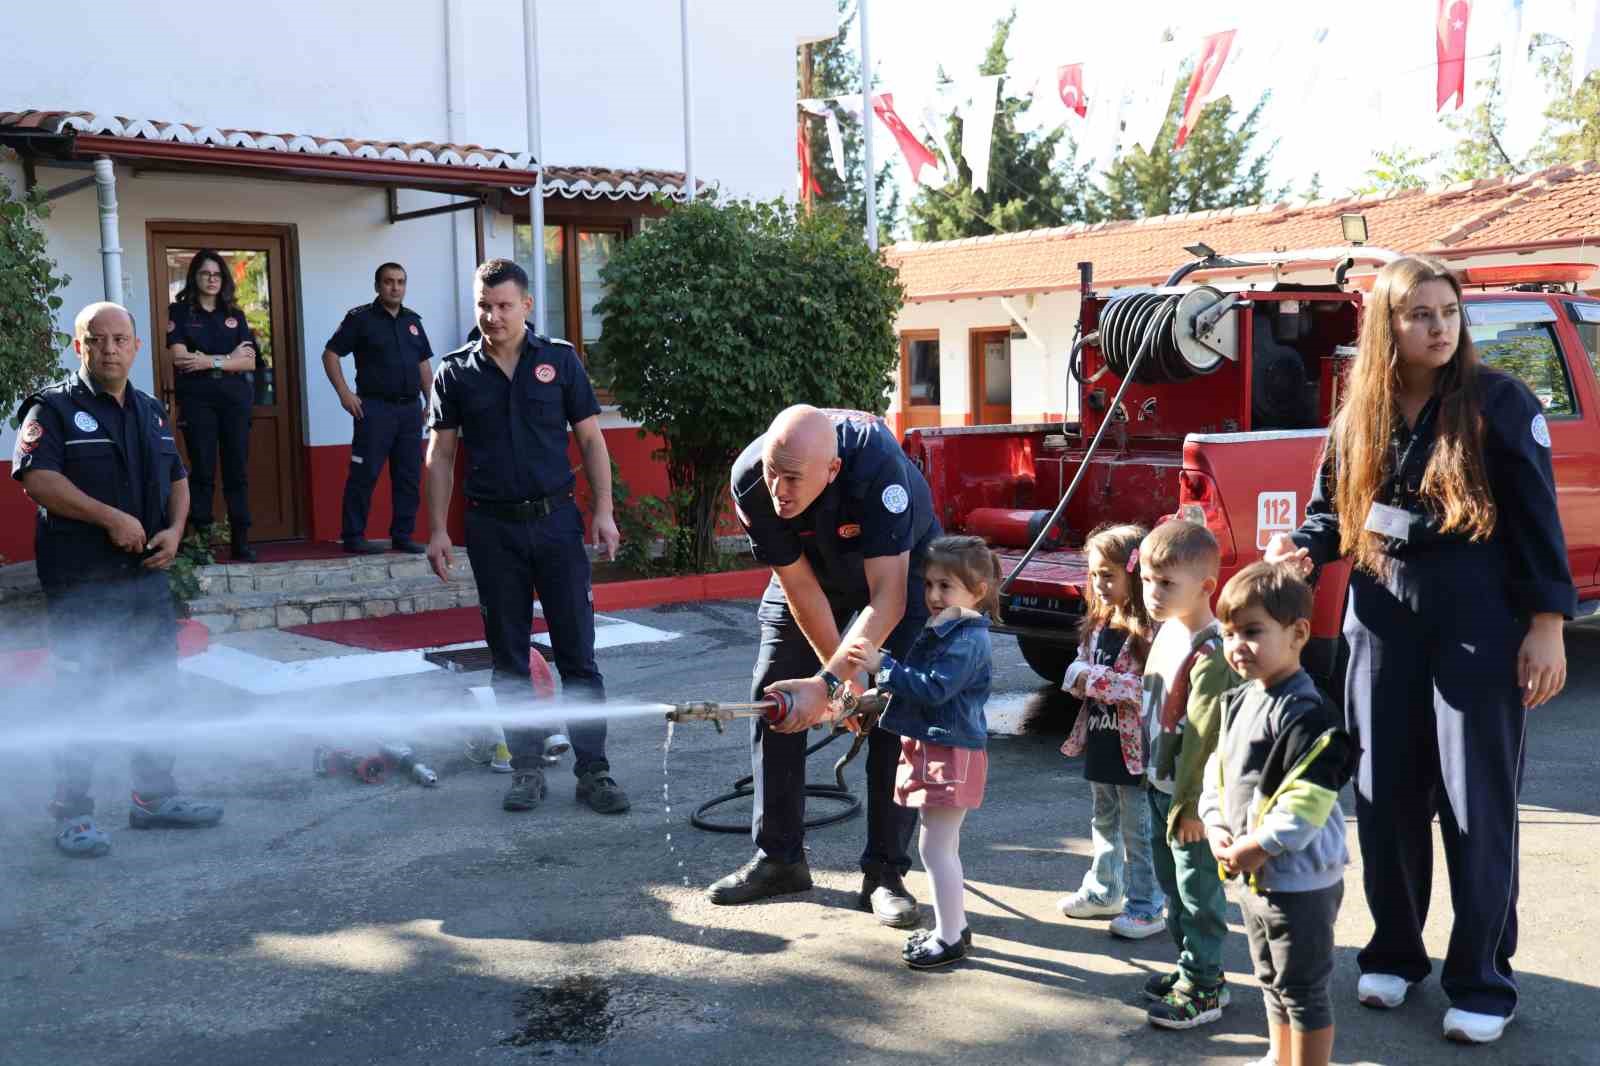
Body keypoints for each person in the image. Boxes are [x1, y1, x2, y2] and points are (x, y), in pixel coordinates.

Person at [1264, 255, 1573, 1045]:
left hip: (1478, 614)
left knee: (1477, 802)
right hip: (1381, 614)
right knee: (1385, 793)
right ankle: (1396, 953)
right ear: (1387, 326)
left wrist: (1546, 624)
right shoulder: (1359, 411)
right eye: (1421, 315)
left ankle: (1480, 979)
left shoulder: (1499, 402)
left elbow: (1539, 520)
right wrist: (1300, 551)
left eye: (1448, 312)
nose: (1440, 328)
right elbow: (1331, 514)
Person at [710, 405, 939, 927]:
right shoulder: (751, 480)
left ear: (831, 471)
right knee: (777, 691)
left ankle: (885, 874)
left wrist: (844, 683)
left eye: (793, 479)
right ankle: (780, 859)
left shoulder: (879, 471)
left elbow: (888, 600)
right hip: (813, 568)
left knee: (894, 698)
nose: (779, 489)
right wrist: (830, 687)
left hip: (895, 567)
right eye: (774, 473)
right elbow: (800, 588)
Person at [13, 302, 224, 857]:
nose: (109, 348)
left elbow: (177, 477)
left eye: (119, 338)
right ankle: (73, 814)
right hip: (82, 582)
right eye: (96, 339)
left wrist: (175, 531)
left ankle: (154, 799)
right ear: (78, 346)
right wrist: (110, 518)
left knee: (157, 690)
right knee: (80, 695)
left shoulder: (151, 411)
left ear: (135, 347)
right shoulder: (53, 409)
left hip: (145, 582)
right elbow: (37, 480)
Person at [424, 258, 629, 816]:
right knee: (509, 658)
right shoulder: (455, 372)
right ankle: (527, 770)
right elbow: (441, 454)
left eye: (504, 306)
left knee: (577, 656)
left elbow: (591, 442)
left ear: (527, 306)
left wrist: (603, 512)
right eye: (484, 307)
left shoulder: (560, 361)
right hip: (492, 529)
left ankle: (595, 771)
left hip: (556, 523)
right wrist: (439, 529)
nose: (493, 317)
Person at [1202, 562, 1358, 1066]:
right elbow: (1219, 770)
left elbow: (1309, 799)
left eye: (1252, 631)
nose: (1237, 645)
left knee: (1303, 987)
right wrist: (1215, 824)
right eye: (1228, 633)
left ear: (1298, 635)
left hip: (1299, 880)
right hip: (1252, 875)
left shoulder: (1309, 713)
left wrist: (1260, 845)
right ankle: (1279, 1054)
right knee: (1270, 976)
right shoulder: (1242, 698)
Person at [842, 535, 998, 969]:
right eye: (929, 584)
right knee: (939, 846)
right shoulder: (947, 629)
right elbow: (922, 681)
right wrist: (881, 687)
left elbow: (934, 688)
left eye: (946, 586)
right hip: (937, 746)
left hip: (951, 752)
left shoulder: (966, 639)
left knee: (936, 849)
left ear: (978, 591)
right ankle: (955, 924)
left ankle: (949, 937)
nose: (933, 595)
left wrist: (883, 667)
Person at [1137, 518, 1237, 1029]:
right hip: (1159, 789)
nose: (1153, 593)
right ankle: (1189, 969)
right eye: (1148, 580)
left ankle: (1205, 986)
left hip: (1191, 802)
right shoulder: (1168, 631)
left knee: (1198, 895)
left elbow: (1205, 738)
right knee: (1172, 888)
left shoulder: (1212, 651)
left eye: (1166, 583)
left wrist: (1195, 805)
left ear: (1205, 587)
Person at [1056, 523, 1166, 941]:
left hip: (1135, 750)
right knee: (1104, 820)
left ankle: (1147, 905)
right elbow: (1075, 671)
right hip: (1102, 742)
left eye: (1109, 574)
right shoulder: (1098, 625)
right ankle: (1105, 891)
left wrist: (1093, 678)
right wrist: (1084, 676)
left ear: (1133, 575)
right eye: (1094, 574)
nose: (1099, 584)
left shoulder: (1151, 632)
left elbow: (1146, 690)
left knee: (1139, 830)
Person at [321, 262, 434, 555]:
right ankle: (354, 536)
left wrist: (430, 401)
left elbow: (423, 363)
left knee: (408, 476)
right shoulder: (360, 319)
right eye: (388, 282)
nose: (395, 287)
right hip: (375, 409)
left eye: (400, 282)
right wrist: (344, 393)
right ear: (377, 286)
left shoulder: (413, 321)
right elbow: (330, 354)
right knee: (364, 473)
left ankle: (403, 535)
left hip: (410, 410)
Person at [166, 249, 258, 561]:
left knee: (237, 472)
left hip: (235, 402)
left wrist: (205, 360)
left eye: (217, 274)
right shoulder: (180, 313)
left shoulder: (236, 314)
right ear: (195, 276)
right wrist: (226, 360)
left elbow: (248, 363)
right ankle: (202, 543)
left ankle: (241, 540)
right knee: (202, 471)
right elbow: (179, 358)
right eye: (206, 274)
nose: (212, 279)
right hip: (197, 402)